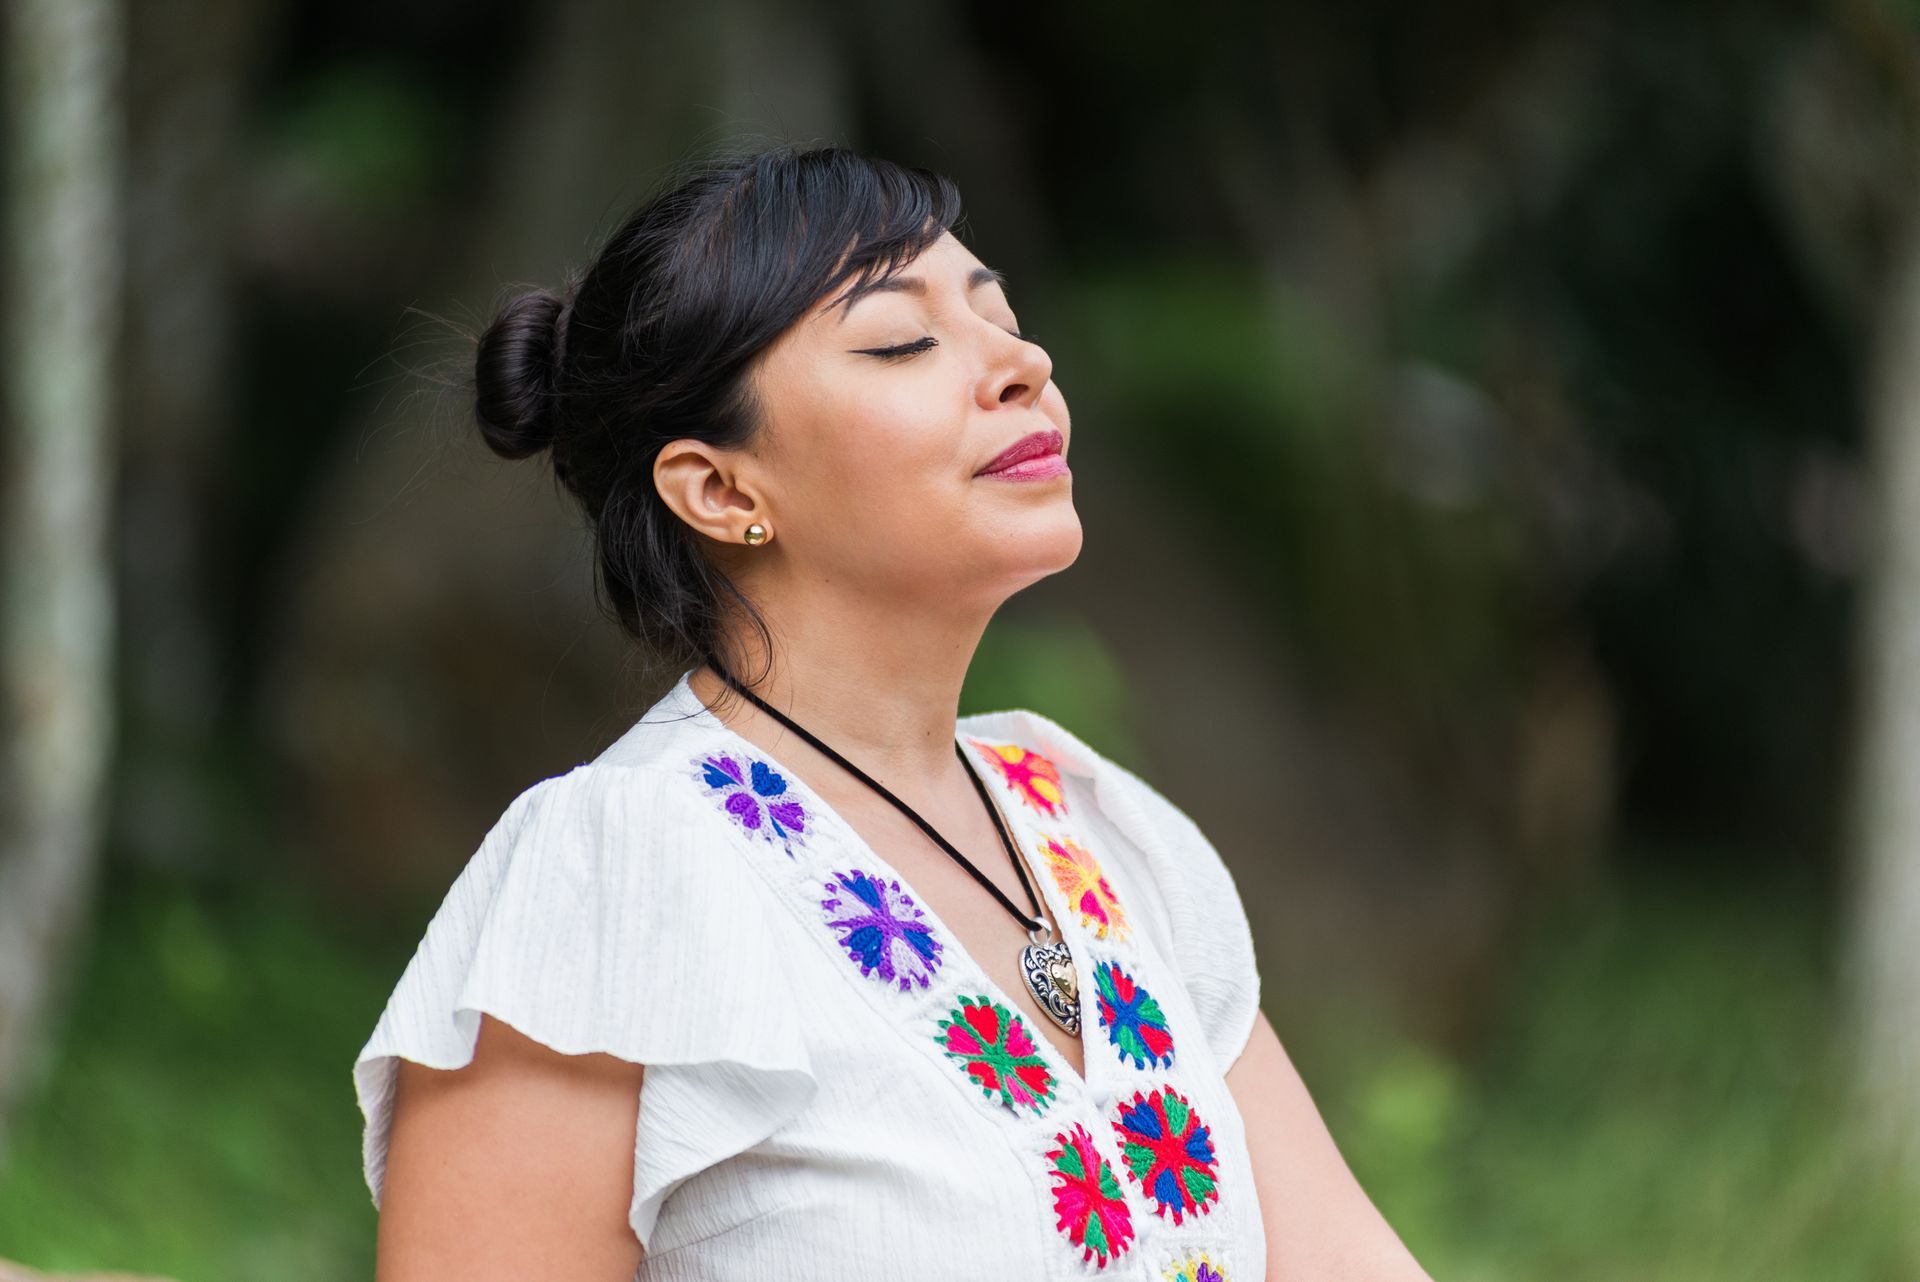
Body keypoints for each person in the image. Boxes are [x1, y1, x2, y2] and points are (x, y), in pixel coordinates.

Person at [352, 142, 1432, 1282]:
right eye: (900, 341)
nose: (1020, 363)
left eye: (1000, 315)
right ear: (720, 489)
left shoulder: (1110, 839)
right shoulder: (612, 871)